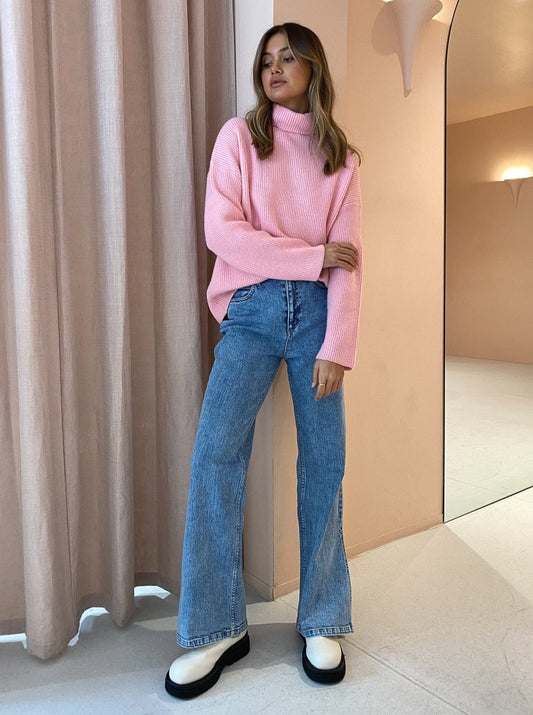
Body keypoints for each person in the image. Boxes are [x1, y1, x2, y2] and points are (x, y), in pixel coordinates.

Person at [165, 22, 363, 700]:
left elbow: (349, 261)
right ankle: (216, 626)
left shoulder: (341, 158)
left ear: (313, 68)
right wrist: (309, 256)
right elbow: (223, 233)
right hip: (250, 309)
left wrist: (338, 345)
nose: (274, 68)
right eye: (266, 60)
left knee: (324, 461)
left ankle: (322, 615)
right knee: (214, 456)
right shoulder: (240, 138)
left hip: (317, 317)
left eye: (288, 57)